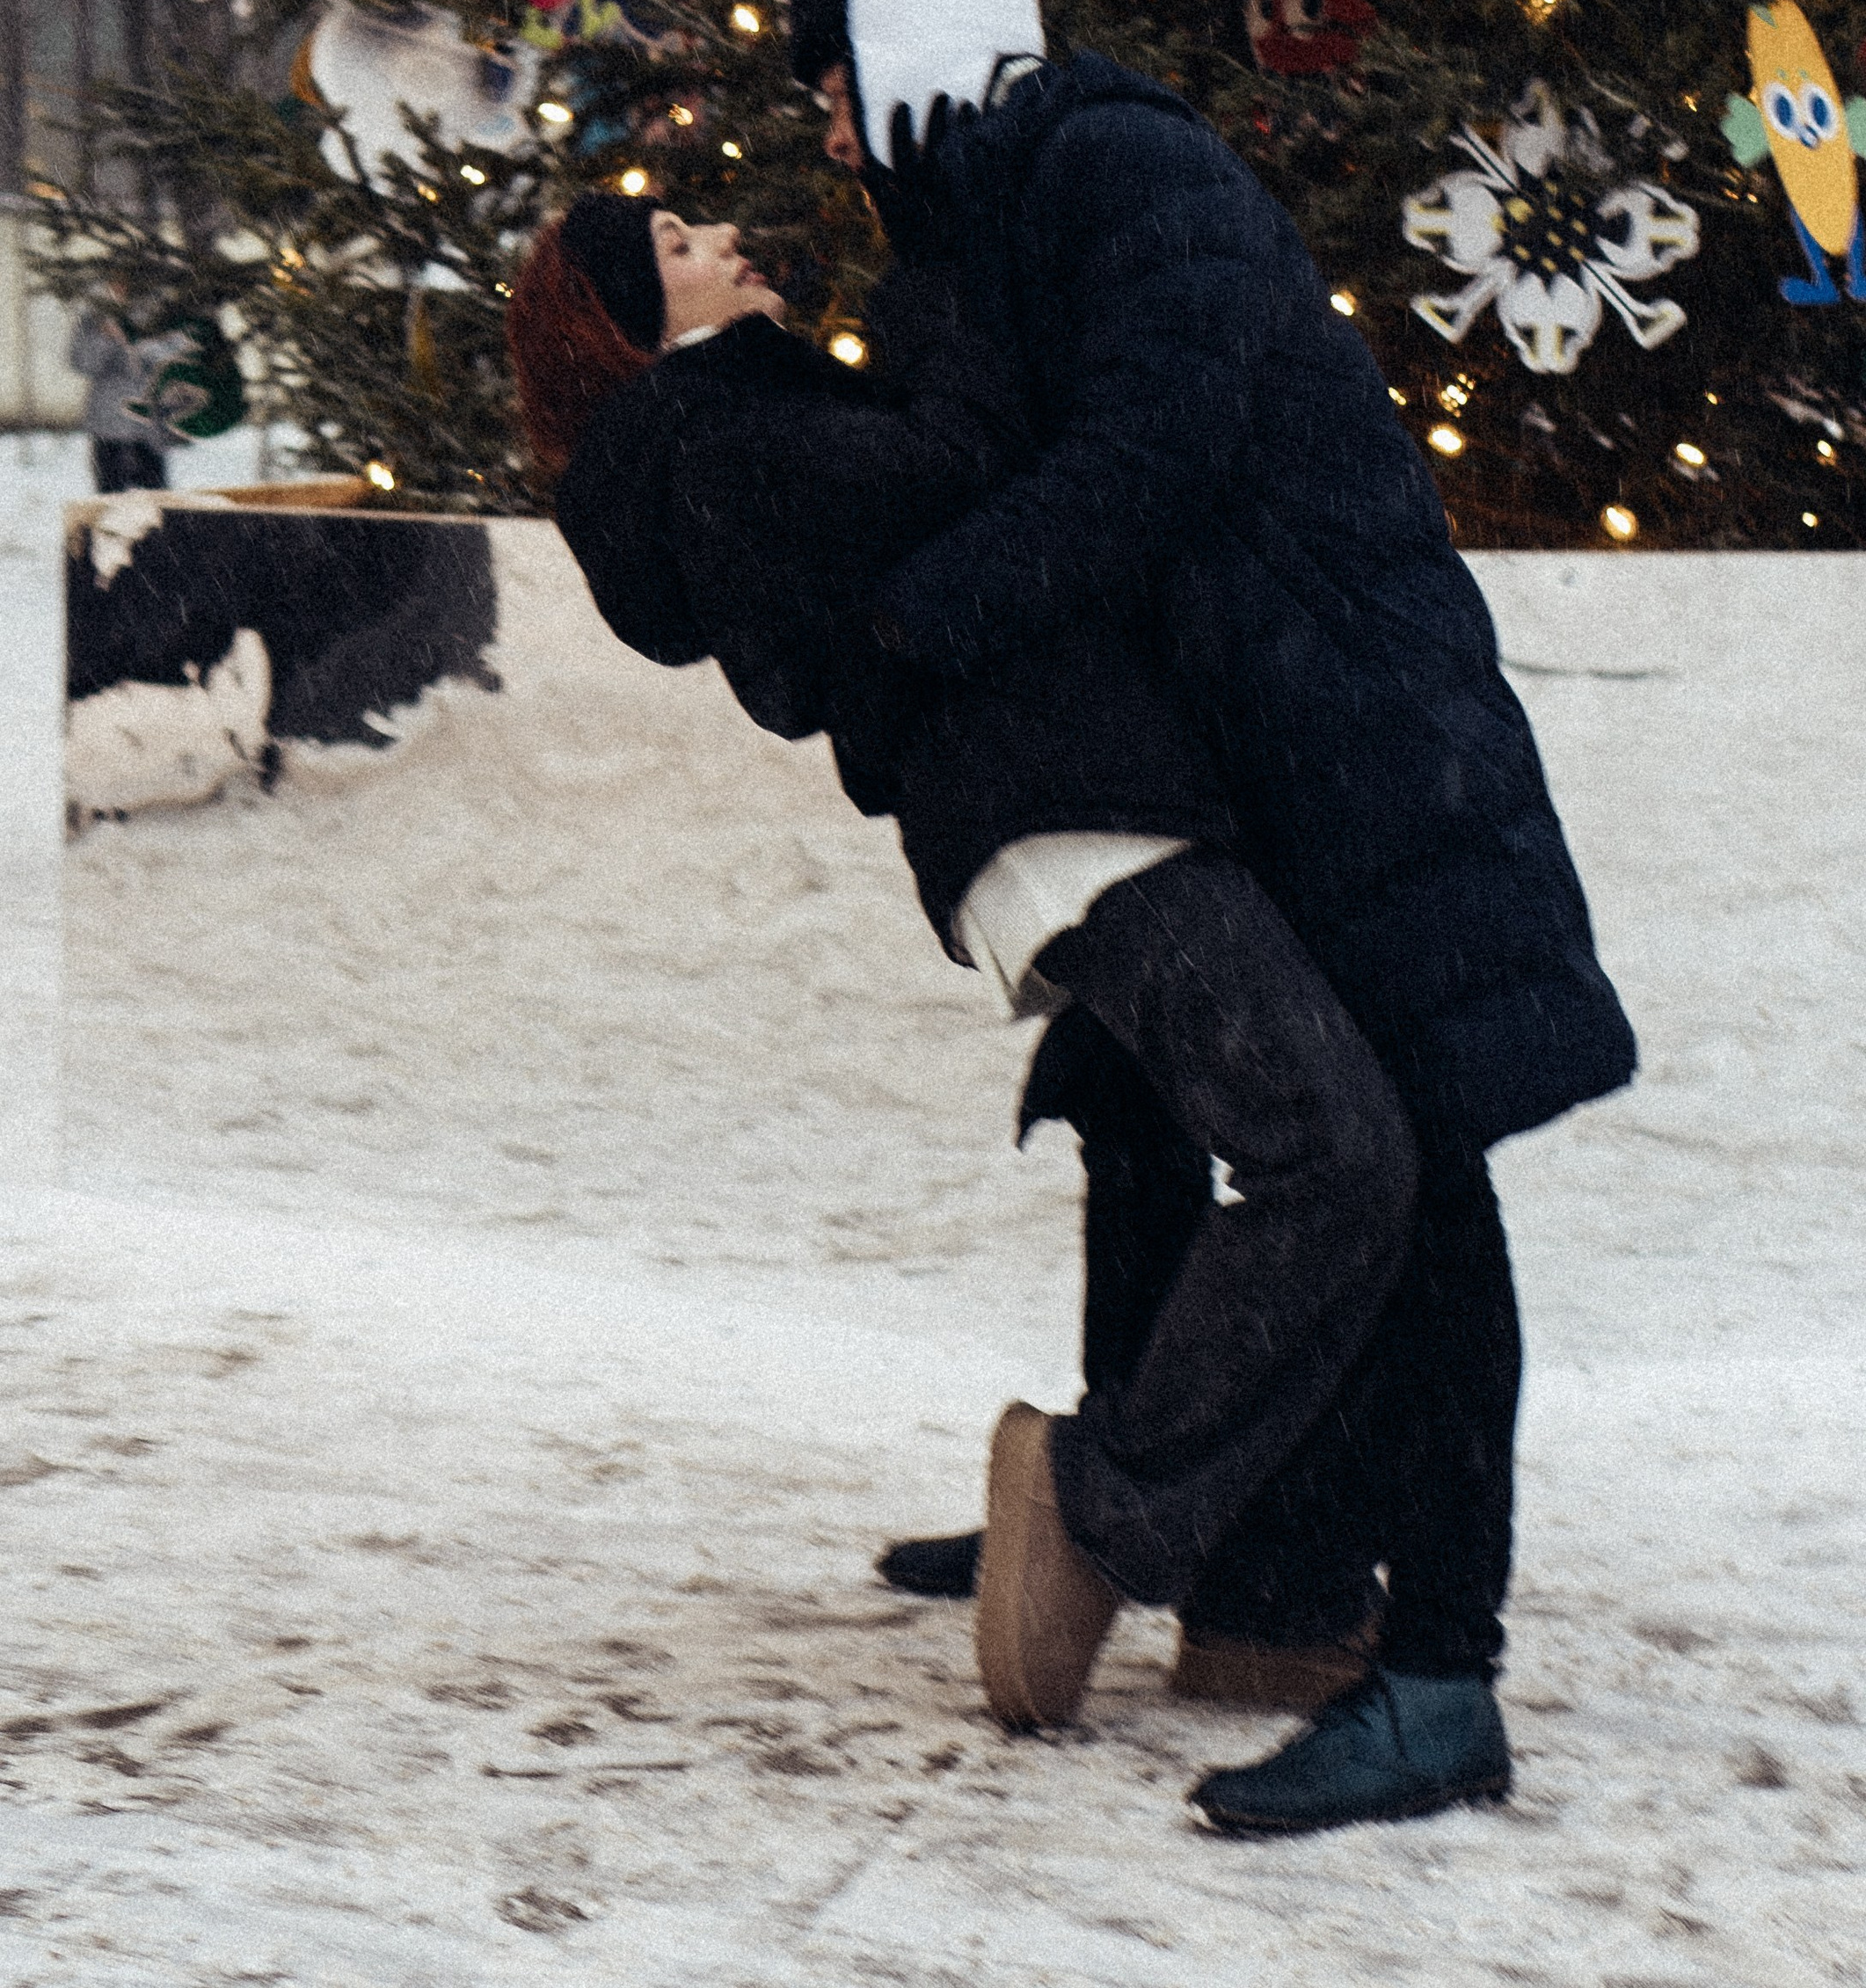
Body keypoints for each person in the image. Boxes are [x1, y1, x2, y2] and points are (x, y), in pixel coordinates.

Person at [788, 0, 1637, 1838]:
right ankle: (1158, 1538)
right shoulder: (1005, 210)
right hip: (1255, 737)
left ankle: (1432, 1673)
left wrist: (916, 624)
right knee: (1138, 1110)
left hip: (1351, 727)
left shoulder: (1115, 163)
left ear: (923, 46)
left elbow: (1142, 455)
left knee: (1410, 1180)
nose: (827, 125)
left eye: (838, 74)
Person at [509, 193, 1408, 1743]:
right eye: (672, 244)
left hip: (1088, 798)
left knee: (1155, 1142)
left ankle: (1265, 1598)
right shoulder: (722, 442)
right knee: (1337, 1153)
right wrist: (952, 295)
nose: (720, 231)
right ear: (634, 325)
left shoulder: (743, 423)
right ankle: (1099, 1506)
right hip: (1071, 813)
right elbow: (962, 476)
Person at [69, 286, 177, 495]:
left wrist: (141, 340)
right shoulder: (96, 311)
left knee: (155, 505)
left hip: (149, 427)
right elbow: (80, 361)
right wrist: (106, 336)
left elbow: (177, 351)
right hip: (108, 426)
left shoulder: (162, 306)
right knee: (110, 503)